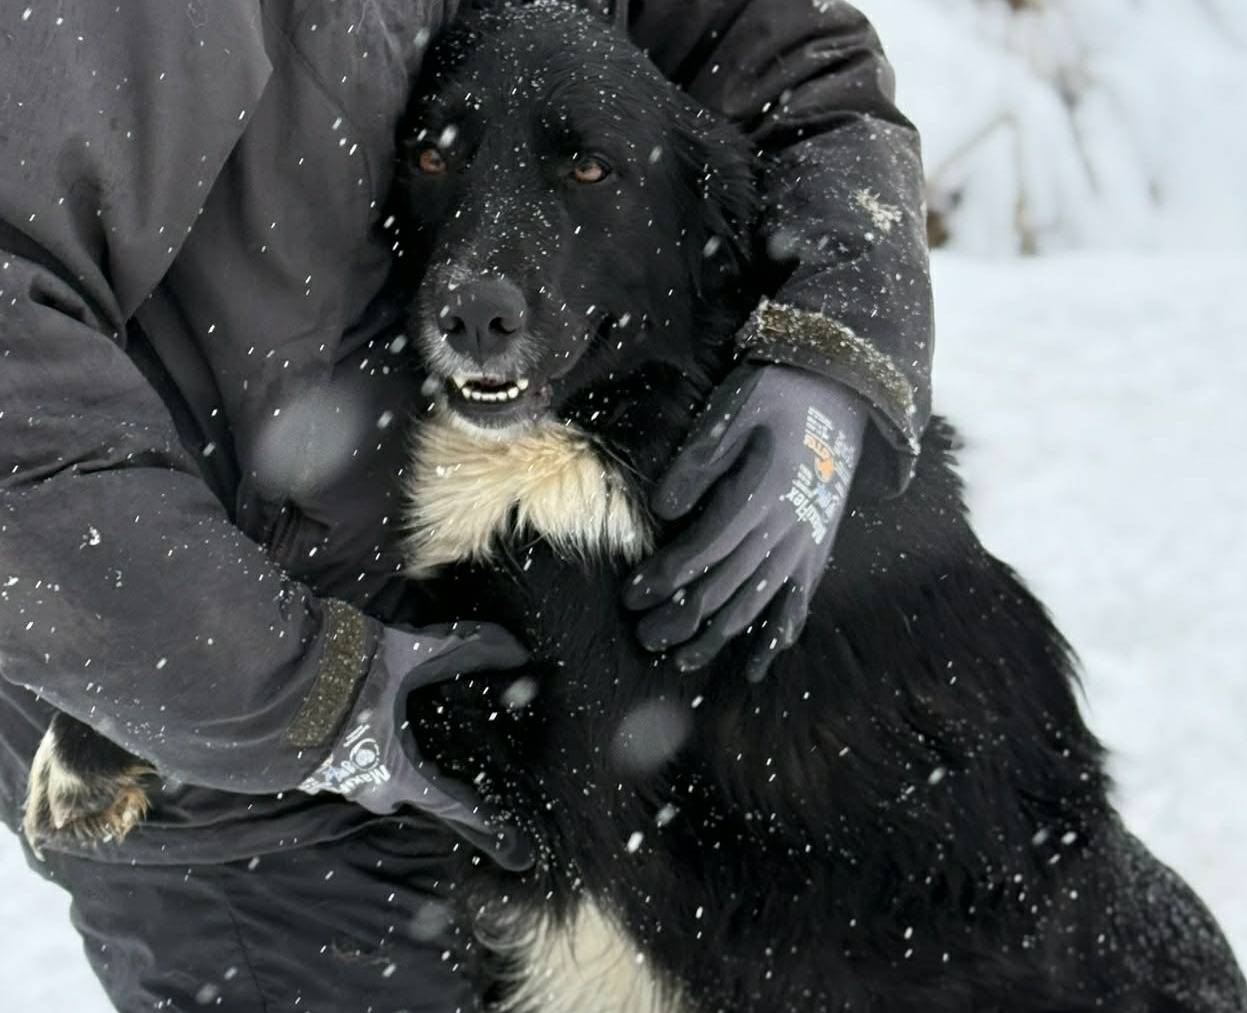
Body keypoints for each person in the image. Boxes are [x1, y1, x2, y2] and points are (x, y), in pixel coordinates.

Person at [0, 0, 933, 1007]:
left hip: (542, 711)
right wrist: (279, 686)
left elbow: (793, 73)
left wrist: (835, 341)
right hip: (255, 809)